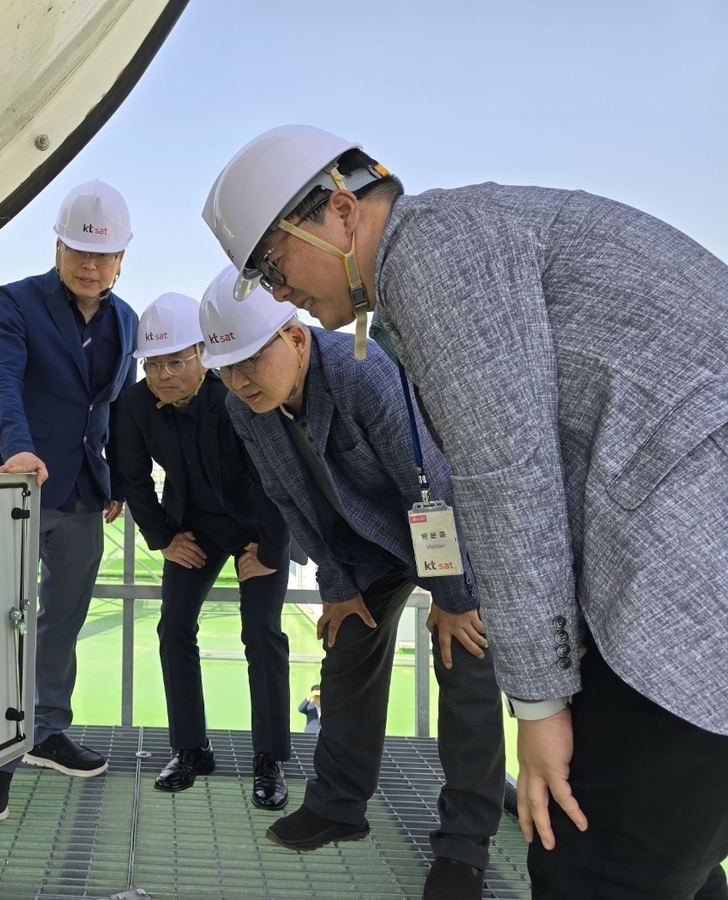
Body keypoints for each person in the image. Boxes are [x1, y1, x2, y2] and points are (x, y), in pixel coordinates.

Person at [202, 125, 728, 899]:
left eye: (274, 268)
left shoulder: (432, 258)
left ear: (341, 213)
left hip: (691, 576)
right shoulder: (451, 245)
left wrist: (538, 700)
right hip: (655, 559)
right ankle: (343, 800)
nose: (279, 292)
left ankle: (465, 838)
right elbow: (302, 499)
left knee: (591, 860)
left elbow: (493, 475)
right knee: (660, 848)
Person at [200, 267, 506, 900]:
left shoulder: (363, 372)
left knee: (464, 659)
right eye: (224, 367)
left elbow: (427, 491)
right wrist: (336, 586)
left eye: (250, 360)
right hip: (360, 544)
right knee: (346, 655)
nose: (237, 380)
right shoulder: (243, 404)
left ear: (296, 338)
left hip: (439, 524)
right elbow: (288, 500)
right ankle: (339, 805)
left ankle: (464, 844)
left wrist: (450, 601)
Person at [0, 181, 140, 824]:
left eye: (103, 256)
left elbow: (117, 408)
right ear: (59, 246)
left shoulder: (126, 321)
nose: (89, 266)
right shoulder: (18, 301)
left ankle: (44, 732)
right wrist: (17, 449)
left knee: (61, 619)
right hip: (16, 481)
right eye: (78, 252)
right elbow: (3, 380)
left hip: (82, 492)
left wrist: (119, 480)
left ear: (122, 258)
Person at [116, 292, 293, 810]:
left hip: (256, 528)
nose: (164, 373)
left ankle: (270, 758)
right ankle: (191, 749)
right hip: (191, 529)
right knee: (173, 627)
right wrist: (164, 539)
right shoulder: (133, 406)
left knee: (261, 632)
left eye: (176, 360)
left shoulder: (236, 395)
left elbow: (274, 475)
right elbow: (131, 477)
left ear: (201, 355)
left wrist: (271, 549)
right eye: (154, 363)